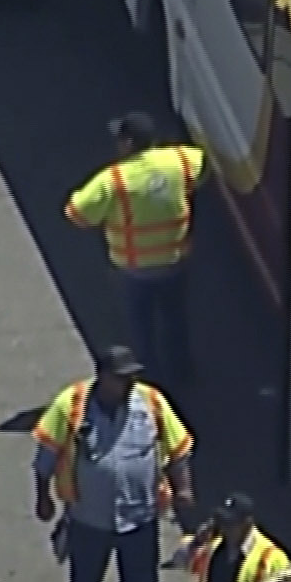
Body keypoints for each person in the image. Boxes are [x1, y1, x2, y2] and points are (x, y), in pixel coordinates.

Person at [32, 345, 195, 582]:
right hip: (87, 517)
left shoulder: (150, 402)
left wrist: (184, 489)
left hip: (139, 515)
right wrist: (43, 496)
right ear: (103, 376)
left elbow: (179, 449)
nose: (130, 382)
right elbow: (46, 455)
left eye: (133, 376)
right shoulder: (72, 404)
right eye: (122, 377)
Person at [63, 112, 207, 381]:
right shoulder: (180, 160)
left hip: (135, 268)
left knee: (142, 326)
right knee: (176, 318)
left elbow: (76, 213)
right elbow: (203, 167)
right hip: (174, 262)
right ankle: (183, 369)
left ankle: (149, 377)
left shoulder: (115, 179)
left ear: (128, 144)